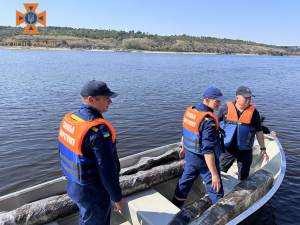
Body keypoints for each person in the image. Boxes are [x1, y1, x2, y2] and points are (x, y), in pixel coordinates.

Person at [58, 80, 124, 225]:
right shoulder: (99, 131)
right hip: (95, 194)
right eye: (106, 98)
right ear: (91, 100)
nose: (110, 101)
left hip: (75, 187)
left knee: (86, 218)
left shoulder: (73, 120)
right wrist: (117, 197)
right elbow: (107, 170)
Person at [171, 87, 227, 208]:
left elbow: (185, 131)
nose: (220, 104)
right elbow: (207, 150)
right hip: (204, 161)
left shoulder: (191, 111)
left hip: (190, 157)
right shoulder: (208, 120)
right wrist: (215, 174)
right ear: (207, 100)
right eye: (216, 101)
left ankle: (175, 205)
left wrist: (183, 148)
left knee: (184, 183)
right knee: (215, 188)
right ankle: (219, 215)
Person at [218, 86, 269, 181]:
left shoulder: (254, 113)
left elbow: (259, 131)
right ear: (237, 98)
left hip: (245, 149)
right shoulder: (225, 109)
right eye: (246, 98)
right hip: (228, 148)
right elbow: (216, 125)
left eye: (250, 98)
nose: (248, 100)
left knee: (244, 174)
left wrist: (263, 149)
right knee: (220, 170)